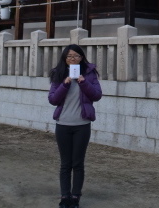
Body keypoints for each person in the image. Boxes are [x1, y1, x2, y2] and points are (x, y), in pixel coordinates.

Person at [48, 44, 102, 208]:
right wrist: (64, 84)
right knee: (65, 163)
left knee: (78, 163)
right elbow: (53, 100)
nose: (73, 59)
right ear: (65, 59)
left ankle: (75, 197)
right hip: (63, 124)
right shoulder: (59, 74)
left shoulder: (89, 73)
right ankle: (65, 197)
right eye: (70, 56)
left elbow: (97, 95)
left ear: (82, 58)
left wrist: (83, 82)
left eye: (76, 56)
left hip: (82, 124)